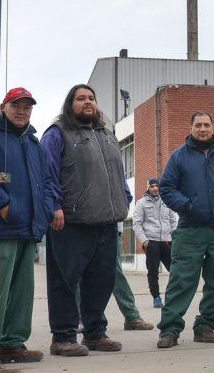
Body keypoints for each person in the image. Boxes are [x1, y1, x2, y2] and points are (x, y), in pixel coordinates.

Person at [41, 84, 132, 356]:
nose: (87, 102)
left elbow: (118, 172)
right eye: (81, 98)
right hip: (71, 222)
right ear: (70, 104)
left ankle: (94, 334)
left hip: (106, 222)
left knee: (101, 282)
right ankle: (63, 337)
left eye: (91, 97)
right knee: (65, 282)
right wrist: (54, 206)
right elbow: (47, 174)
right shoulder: (57, 134)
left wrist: (125, 198)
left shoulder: (107, 134)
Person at [156, 111, 214, 349]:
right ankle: (170, 330)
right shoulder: (179, 157)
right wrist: (187, 206)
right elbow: (166, 187)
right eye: (198, 125)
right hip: (190, 229)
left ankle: (205, 326)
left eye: (206, 125)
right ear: (191, 128)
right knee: (181, 281)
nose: (202, 129)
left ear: (213, 127)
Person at [0, 88, 53, 364]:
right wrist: (2, 204)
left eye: (27, 107)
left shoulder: (34, 144)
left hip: (29, 229)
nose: (22, 111)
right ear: (3, 107)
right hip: (2, 229)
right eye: (16, 105)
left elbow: (45, 182)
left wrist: (44, 212)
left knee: (22, 291)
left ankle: (12, 344)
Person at [132, 178, 178, 308]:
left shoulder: (166, 201)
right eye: (152, 186)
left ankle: (173, 295)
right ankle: (156, 297)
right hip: (151, 241)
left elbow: (173, 220)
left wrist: (173, 236)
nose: (155, 188)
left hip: (166, 240)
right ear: (148, 188)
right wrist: (145, 241)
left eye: (157, 186)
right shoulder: (141, 203)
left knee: (175, 270)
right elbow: (136, 224)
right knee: (153, 271)